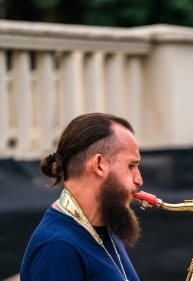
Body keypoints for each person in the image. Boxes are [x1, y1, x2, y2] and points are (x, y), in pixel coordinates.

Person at [20, 113, 143, 281]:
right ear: (99, 165)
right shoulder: (57, 248)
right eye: (131, 166)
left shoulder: (103, 225)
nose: (139, 179)